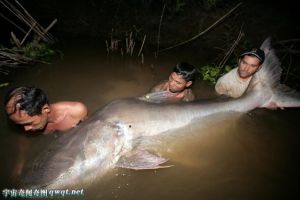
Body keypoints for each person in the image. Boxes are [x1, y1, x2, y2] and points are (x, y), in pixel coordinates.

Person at [4, 86, 88, 134]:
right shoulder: (26, 121)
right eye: (20, 125)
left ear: (45, 109)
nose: (26, 129)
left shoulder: (77, 111)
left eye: (29, 123)